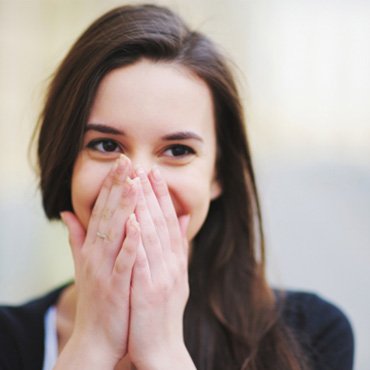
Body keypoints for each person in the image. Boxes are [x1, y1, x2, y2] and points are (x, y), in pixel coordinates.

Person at [0, 4, 354, 370]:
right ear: (66, 161)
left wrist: (162, 349)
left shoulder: (311, 335)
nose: (136, 181)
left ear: (218, 174)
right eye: (106, 145)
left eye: (177, 151)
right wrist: (94, 343)